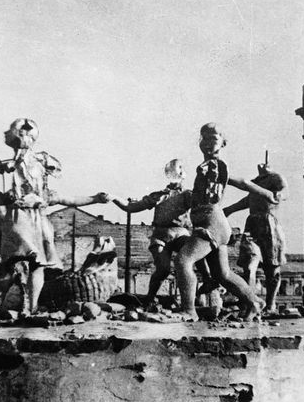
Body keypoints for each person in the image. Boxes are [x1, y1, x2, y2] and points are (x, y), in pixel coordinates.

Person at [0, 118, 109, 315]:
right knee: (19, 268)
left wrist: (95, 198)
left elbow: (71, 199)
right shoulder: (13, 165)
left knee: (35, 266)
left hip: (39, 221)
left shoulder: (43, 184)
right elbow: (1, 185)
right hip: (19, 218)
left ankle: (29, 308)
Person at [173, 123, 278, 322]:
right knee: (223, 274)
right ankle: (254, 302)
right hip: (213, 222)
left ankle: (188, 311)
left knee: (183, 260)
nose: (207, 143)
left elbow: (243, 182)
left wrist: (267, 194)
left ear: (223, 143)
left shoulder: (215, 165)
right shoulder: (207, 165)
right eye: (204, 138)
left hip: (211, 220)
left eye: (213, 138)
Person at [109, 159, 213, 307]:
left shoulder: (187, 195)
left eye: (179, 168)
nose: (176, 172)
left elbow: (204, 205)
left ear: (183, 174)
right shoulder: (158, 195)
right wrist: (114, 198)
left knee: (195, 248)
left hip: (181, 233)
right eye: (171, 169)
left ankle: (207, 280)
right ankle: (149, 299)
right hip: (161, 236)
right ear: (167, 174)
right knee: (163, 270)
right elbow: (131, 207)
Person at [223, 160, 288, 313]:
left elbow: (284, 192)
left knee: (272, 267)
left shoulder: (275, 177)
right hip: (252, 224)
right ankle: (249, 302)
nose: (261, 165)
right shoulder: (255, 183)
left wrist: (280, 194)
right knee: (249, 264)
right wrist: (230, 209)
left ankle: (271, 305)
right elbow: (249, 200)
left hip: (269, 223)